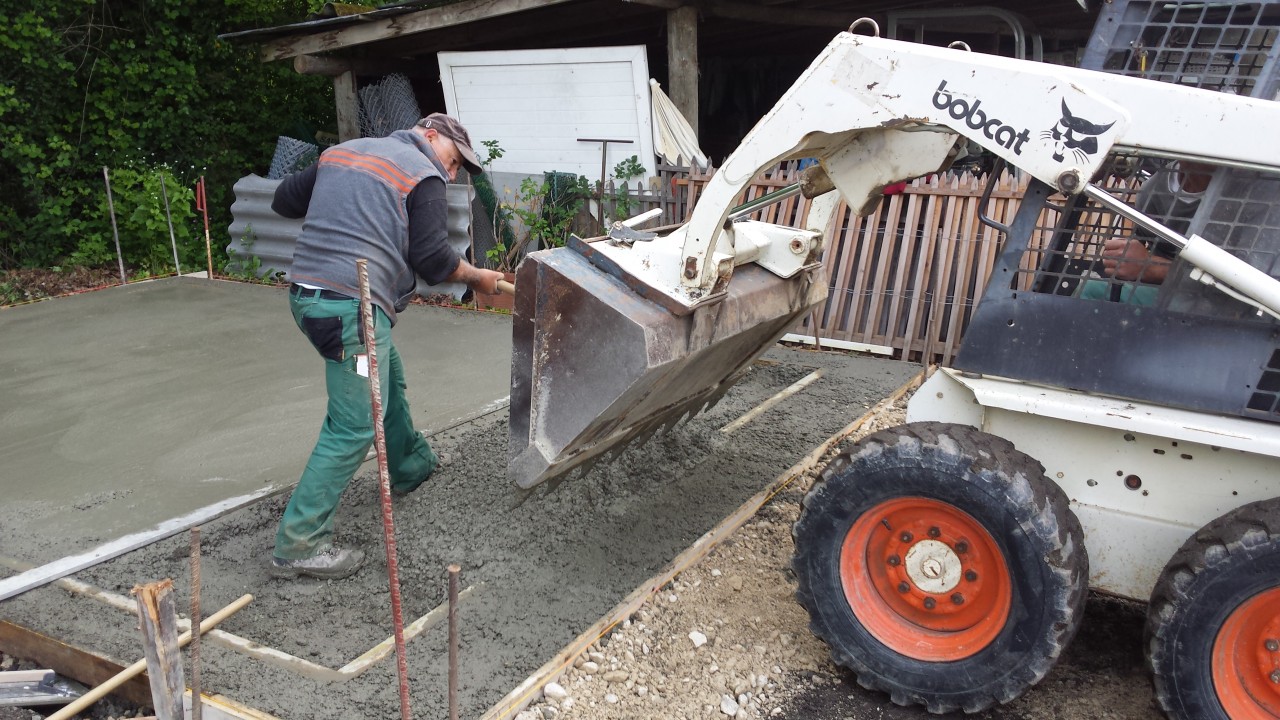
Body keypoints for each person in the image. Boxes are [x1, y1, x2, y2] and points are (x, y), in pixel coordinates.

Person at [267, 113, 504, 579]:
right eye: (455, 162)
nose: (452, 175)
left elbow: (282, 201)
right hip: (349, 310)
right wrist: (478, 278)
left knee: (386, 374)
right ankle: (299, 543)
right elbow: (433, 259)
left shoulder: (344, 153)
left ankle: (410, 465)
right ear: (430, 136)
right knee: (353, 426)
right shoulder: (423, 174)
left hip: (307, 297)